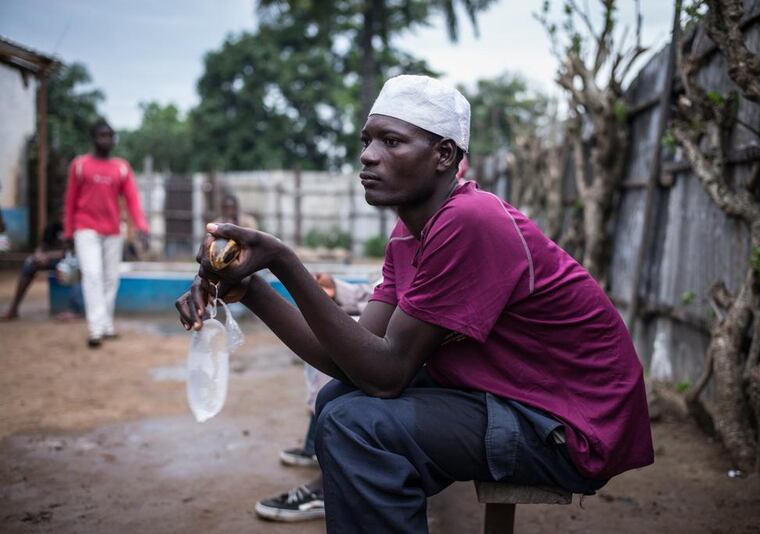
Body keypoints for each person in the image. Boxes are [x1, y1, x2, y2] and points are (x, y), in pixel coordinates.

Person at [176, 74, 653, 533]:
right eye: (367, 141)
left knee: (354, 425)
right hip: (513, 398)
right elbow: (360, 359)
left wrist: (281, 260)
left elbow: (387, 375)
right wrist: (250, 287)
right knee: (335, 399)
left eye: (391, 141)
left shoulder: (470, 220)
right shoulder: (410, 231)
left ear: (444, 154)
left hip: (567, 426)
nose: (368, 156)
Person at [258, 275, 379, 522]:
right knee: (334, 375)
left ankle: (330, 485)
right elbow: (385, 289)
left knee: (342, 357)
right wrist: (339, 289)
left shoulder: (435, 242)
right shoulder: (406, 244)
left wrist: (281, 264)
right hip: (393, 316)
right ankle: (318, 446)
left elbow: (398, 298)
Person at [64, 119, 149, 348]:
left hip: (113, 230)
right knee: (92, 275)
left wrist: (142, 228)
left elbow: (132, 200)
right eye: (102, 135)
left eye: (110, 136)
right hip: (85, 228)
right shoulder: (80, 165)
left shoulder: (121, 167)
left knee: (111, 278)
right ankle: (95, 329)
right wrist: (68, 232)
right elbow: (70, 200)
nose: (107, 140)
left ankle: (107, 324)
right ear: (92, 139)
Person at [1, 215, 80, 321]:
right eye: (61, 215)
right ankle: (13, 309)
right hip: (55, 260)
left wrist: (52, 255)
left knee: (74, 266)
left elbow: (73, 252)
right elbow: (42, 246)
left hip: (74, 262)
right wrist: (39, 255)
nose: (64, 218)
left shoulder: (79, 227)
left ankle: (74, 309)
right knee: (30, 264)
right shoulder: (52, 227)